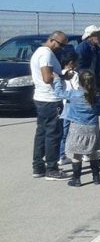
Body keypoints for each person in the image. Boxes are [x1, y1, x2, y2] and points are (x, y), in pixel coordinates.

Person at [53, 69, 100, 187]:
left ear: (80, 82)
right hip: (93, 128)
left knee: (77, 154)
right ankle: (96, 177)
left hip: (77, 127)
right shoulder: (96, 95)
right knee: (94, 152)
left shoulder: (74, 94)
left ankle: (77, 179)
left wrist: (56, 79)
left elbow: (58, 93)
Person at [30, 31, 69, 180]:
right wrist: (60, 77)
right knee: (53, 134)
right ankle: (52, 169)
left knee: (41, 132)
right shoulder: (46, 54)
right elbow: (47, 78)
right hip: (50, 99)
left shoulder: (40, 52)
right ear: (52, 40)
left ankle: (38, 167)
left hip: (41, 98)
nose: (62, 48)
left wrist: (63, 75)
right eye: (60, 44)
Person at [76, 24, 100, 142]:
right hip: (85, 82)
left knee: (95, 109)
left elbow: (97, 66)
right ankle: (89, 136)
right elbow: (79, 66)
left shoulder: (96, 47)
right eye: (98, 35)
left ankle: (96, 133)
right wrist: (86, 81)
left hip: (93, 82)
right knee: (89, 109)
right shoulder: (83, 48)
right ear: (91, 36)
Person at [57, 50, 80, 167]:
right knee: (79, 130)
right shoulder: (74, 74)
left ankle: (61, 156)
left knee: (63, 132)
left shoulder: (59, 73)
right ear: (71, 62)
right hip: (73, 105)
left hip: (62, 105)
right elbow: (76, 89)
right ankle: (83, 153)